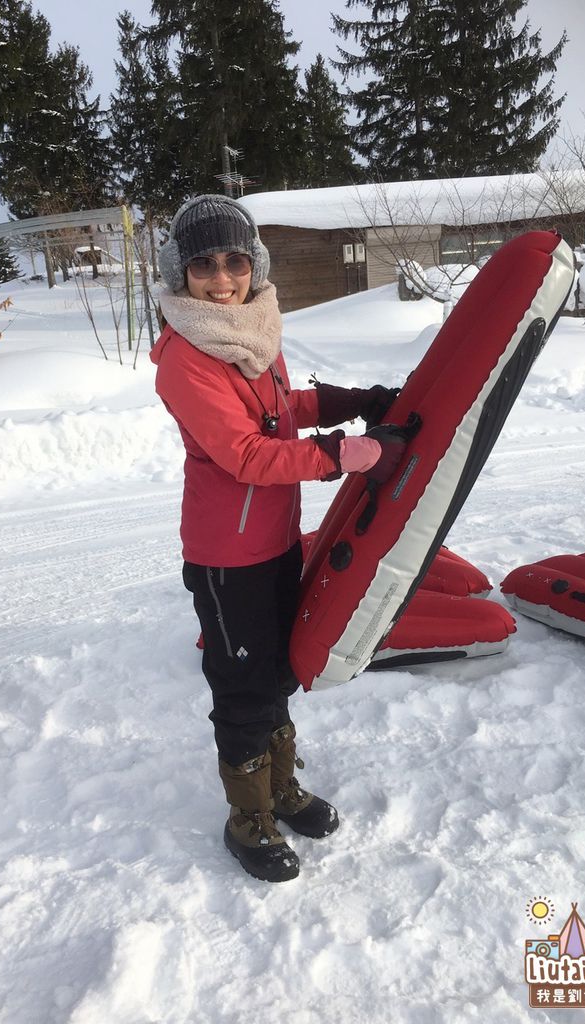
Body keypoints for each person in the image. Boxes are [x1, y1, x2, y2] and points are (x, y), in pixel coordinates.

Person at [151, 195, 410, 883]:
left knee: (278, 672)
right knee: (241, 686)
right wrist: (347, 453)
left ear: (253, 264)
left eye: (235, 260)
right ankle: (248, 818)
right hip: (226, 558)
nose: (222, 276)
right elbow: (247, 455)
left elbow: (279, 412)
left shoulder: (251, 332)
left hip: (275, 542)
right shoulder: (186, 357)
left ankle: (280, 788)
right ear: (182, 272)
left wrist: (350, 401)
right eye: (203, 263)